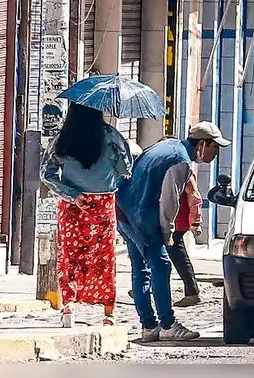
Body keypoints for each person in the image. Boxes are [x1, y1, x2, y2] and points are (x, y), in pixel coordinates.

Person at [116, 121, 230, 342]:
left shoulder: (168, 147)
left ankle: (149, 326)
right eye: (215, 148)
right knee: (161, 267)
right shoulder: (181, 161)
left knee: (140, 269)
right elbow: (169, 201)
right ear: (203, 144)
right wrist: (167, 232)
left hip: (124, 213)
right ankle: (167, 324)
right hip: (143, 218)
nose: (216, 153)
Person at [40, 103, 133, 328]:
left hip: (72, 206)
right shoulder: (112, 137)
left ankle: (68, 307)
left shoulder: (64, 138)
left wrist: (72, 194)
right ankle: (108, 313)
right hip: (102, 204)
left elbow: (46, 173)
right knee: (104, 258)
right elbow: (125, 170)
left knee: (69, 257)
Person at [167, 174, 203, 307]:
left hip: (177, 220)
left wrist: (196, 222)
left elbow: (194, 197)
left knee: (178, 256)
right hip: (174, 218)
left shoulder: (183, 169)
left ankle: (192, 292)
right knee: (176, 255)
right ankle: (192, 291)